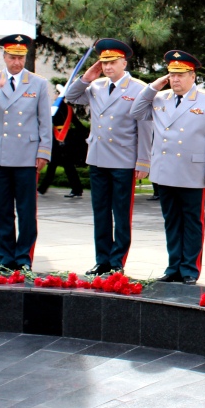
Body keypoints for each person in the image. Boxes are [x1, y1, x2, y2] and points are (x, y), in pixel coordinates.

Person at [131, 50, 205, 284]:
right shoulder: (160, 98)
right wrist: (153, 86)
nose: (175, 79)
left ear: (192, 76)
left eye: (180, 75)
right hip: (165, 170)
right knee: (171, 220)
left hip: (193, 171)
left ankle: (190, 268)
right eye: (171, 75)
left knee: (192, 221)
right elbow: (136, 112)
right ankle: (173, 266)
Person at [66, 38, 152, 275]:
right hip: (98, 157)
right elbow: (70, 96)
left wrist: (143, 160)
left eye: (112, 62)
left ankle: (117, 262)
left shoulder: (139, 88)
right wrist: (86, 77)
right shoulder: (96, 86)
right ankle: (102, 259)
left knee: (121, 214)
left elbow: (145, 127)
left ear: (124, 62)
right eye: (104, 62)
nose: (108, 67)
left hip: (123, 158)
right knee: (101, 212)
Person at [0, 35, 53, 270]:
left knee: (26, 211)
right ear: (4, 57)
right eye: (13, 57)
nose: (17, 62)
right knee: (2, 210)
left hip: (27, 154)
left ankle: (23, 258)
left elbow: (44, 121)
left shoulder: (37, 83)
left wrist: (44, 151)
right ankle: (5, 259)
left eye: (21, 58)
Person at [37, 86, 86, 198]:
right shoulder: (68, 108)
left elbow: (47, 122)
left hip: (57, 140)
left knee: (54, 166)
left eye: (56, 93)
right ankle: (77, 189)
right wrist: (85, 134)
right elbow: (77, 124)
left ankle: (42, 189)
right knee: (68, 166)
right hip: (67, 140)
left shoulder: (54, 108)